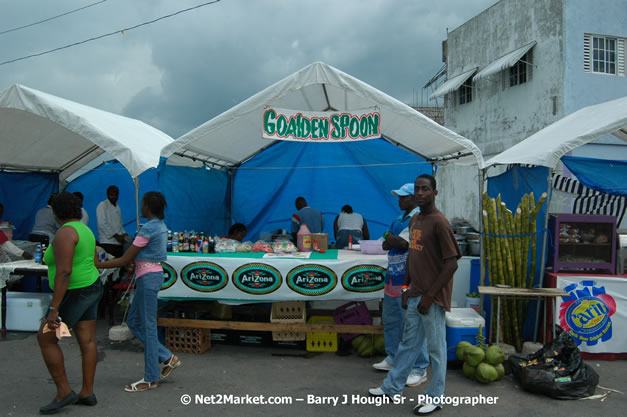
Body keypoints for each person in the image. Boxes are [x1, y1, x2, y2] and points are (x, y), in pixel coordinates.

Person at [369, 174, 461, 415]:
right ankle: (392, 388)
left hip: (432, 297)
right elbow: (413, 254)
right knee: (408, 344)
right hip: (415, 293)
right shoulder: (415, 220)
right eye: (418, 189)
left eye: (425, 189)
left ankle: (435, 396)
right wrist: (406, 287)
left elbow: (451, 264)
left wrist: (430, 296)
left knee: (436, 349)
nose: (420, 193)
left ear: (434, 193)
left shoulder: (440, 222)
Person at [96, 191, 181, 392]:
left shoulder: (149, 229)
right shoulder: (159, 226)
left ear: (148, 207)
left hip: (148, 278)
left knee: (148, 327)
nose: (141, 208)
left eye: (143, 204)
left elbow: (126, 258)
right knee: (134, 322)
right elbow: (137, 255)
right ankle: (167, 357)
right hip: (150, 275)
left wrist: (99, 264)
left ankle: (151, 377)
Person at [37, 192, 104, 414]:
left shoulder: (65, 233)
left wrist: (54, 309)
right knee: (87, 340)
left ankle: (64, 392)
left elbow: (64, 272)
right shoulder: (85, 230)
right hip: (91, 286)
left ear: (57, 212)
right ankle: (87, 392)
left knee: (46, 338)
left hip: (74, 291)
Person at [371, 184, 429, 387]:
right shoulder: (399, 219)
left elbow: (403, 243)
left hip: (410, 278)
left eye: (404, 197)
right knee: (392, 319)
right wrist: (391, 239)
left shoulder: (417, 218)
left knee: (411, 324)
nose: (399, 201)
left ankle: (419, 368)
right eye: (399, 197)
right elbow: (387, 240)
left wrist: (392, 239)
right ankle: (393, 356)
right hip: (393, 277)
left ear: (414, 198)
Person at [96, 185, 129, 258]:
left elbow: (120, 223)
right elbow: (102, 224)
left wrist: (124, 234)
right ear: (107, 195)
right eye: (111, 195)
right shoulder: (102, 205)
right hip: (107, 243)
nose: (113, 197)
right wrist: (116, 236)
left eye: (115, 195)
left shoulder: (117, 206)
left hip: (118, 244)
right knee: (111, 266)